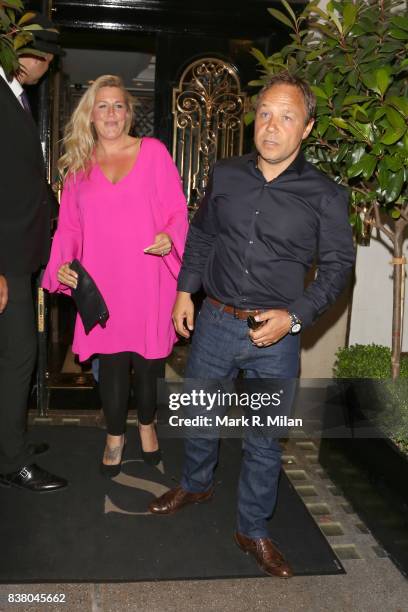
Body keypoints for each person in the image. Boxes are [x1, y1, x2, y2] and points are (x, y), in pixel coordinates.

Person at [148, 72, 355, 577]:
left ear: (305, 128)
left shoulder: (324, 195)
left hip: (275, 335)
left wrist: (295, 317)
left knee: (264, 438)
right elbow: (201, 238)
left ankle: (253, 529)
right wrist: (183, 292)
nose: (271, 126)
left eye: (286, 116)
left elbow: (338, 266)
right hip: (216, 319)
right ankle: (197, 483)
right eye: (264, 113)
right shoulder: (226, 175)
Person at [42, 75, 188, 477]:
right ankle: (113, 435)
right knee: (111, 364)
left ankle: (146, 424)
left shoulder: (154, 152)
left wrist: (168, 236)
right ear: (90, 115)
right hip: (103, 282)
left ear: (129, 113)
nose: (110, 113)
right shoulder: (78, 168)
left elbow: (177, 210)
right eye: (102, 105)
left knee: (148, 365)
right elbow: (69, 227)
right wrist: (63, 265)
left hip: (147, 277)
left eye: (118, 105)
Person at [0, 13, 68, 491]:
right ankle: (11, 459)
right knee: (20, 357)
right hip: (5, 261)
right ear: (38, 59)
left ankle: (10, 438)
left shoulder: (13, 98)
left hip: (17, 258)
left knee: (13, 357)